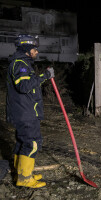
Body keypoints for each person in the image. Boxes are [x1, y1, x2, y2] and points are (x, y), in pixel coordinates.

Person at [6, 34, 55, 188]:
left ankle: (20, 172)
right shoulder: (20, 64)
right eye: (34, 49)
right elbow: (24, 87)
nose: (36, 52)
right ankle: (25, 178)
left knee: (22, 142)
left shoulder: (23, 63)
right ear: (27, 49)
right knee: (32, 143)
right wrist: (44, 76)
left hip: (25, 111)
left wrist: (41, 76)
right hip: (25, 113)